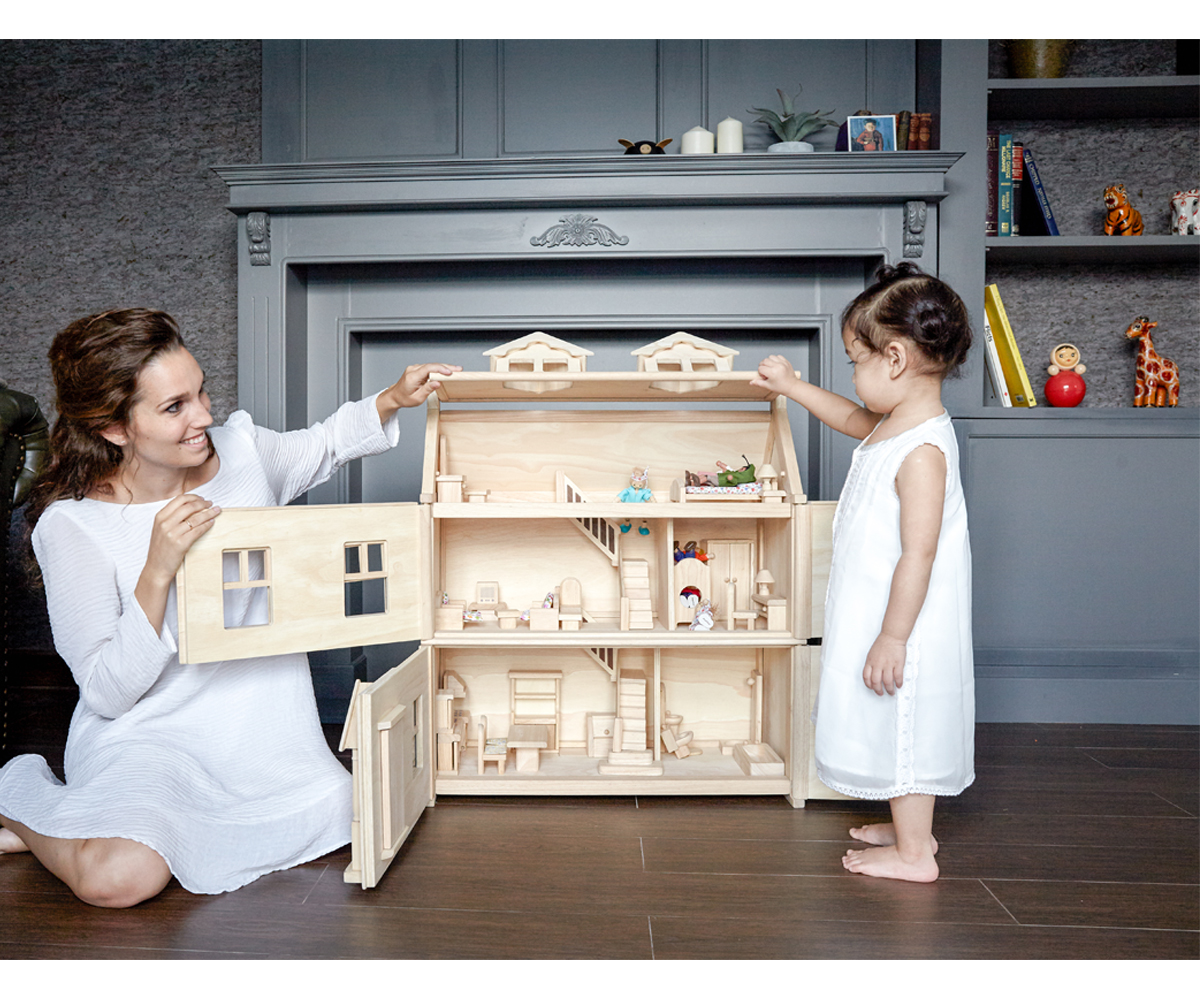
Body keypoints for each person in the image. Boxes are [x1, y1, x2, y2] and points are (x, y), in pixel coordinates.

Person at [0, 308, 459, 907]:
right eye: (174, 407)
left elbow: (324, 444)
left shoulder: (242, 454)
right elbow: (108, 693)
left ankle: (82, 826)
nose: (204, 416)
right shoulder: (74, 526)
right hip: (149, 740)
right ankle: (25, 798)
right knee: (118, 880)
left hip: (260, 739)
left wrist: (393, 398)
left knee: (354, 811)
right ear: (115, 429)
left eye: (200, 391)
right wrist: (158, 570)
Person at [751, 261, 974, 883]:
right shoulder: (895, 426)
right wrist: (793, 388)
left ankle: (913, 853)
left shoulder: (923, 450)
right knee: (887, 712)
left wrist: (895, 635)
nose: (853, 374)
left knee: (907, 720)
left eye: (856, 361)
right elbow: (853, 420)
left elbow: (920, 552)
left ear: (895, 359)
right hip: (876, 604)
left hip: (904, 618)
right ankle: (911, 828)